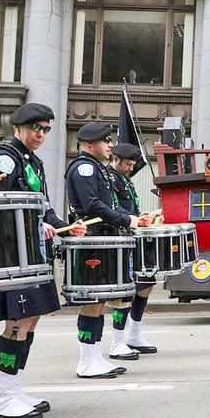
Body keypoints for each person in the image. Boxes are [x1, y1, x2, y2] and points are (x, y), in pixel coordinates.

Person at [0, 103, 86, 418]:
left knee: (30, 319)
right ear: (18, 127)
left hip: (32, 254)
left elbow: (43, 207)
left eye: (46, 129)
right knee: (17, 323)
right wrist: (35, 225)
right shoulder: (5, 157)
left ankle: (12, 388)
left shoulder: (32, 162)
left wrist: (65, 226)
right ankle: (3, 398)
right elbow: (2, 205)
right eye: (36, 127)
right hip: (12, 254)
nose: (41, 134)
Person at [65, 122, 151, 379]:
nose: (110, 145)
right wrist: (128, 220)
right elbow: (92, 205)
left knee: (99, 302)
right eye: (106, 141)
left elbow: (107, 204)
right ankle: (87, 361)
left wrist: (131, 218)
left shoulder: (96, 169)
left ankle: (94, 357)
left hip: (103, 241)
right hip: (93, 241)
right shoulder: (83, 168)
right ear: (90, 144)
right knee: (92, 302)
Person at [107, 142, 158, 359]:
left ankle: (134, 333)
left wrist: (142, 215)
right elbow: (111, 208)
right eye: (128, 164)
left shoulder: (124, 179)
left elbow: (129, 207)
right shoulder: (108, 179)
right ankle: (118, 340)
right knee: (126, 290)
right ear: (115, 159)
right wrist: (134, 220)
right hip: (119, 239)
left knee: (147, 281)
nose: (131, 168)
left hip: (132, 236)